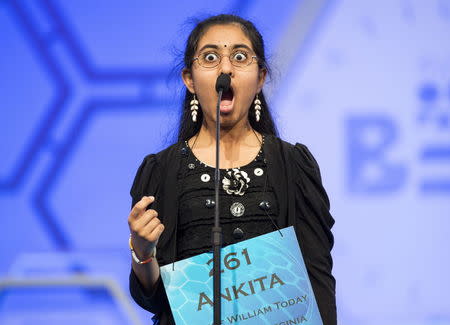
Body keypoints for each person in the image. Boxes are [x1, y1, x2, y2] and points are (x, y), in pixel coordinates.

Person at [127, 14, 336, 325]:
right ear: (189, 79)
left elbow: (317, 280)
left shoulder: (293, 165)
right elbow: (155, 299)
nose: (226, 69)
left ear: (261, 77)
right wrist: (143, 253)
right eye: (210, 57)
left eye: (240, 57)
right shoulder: (162, 171)